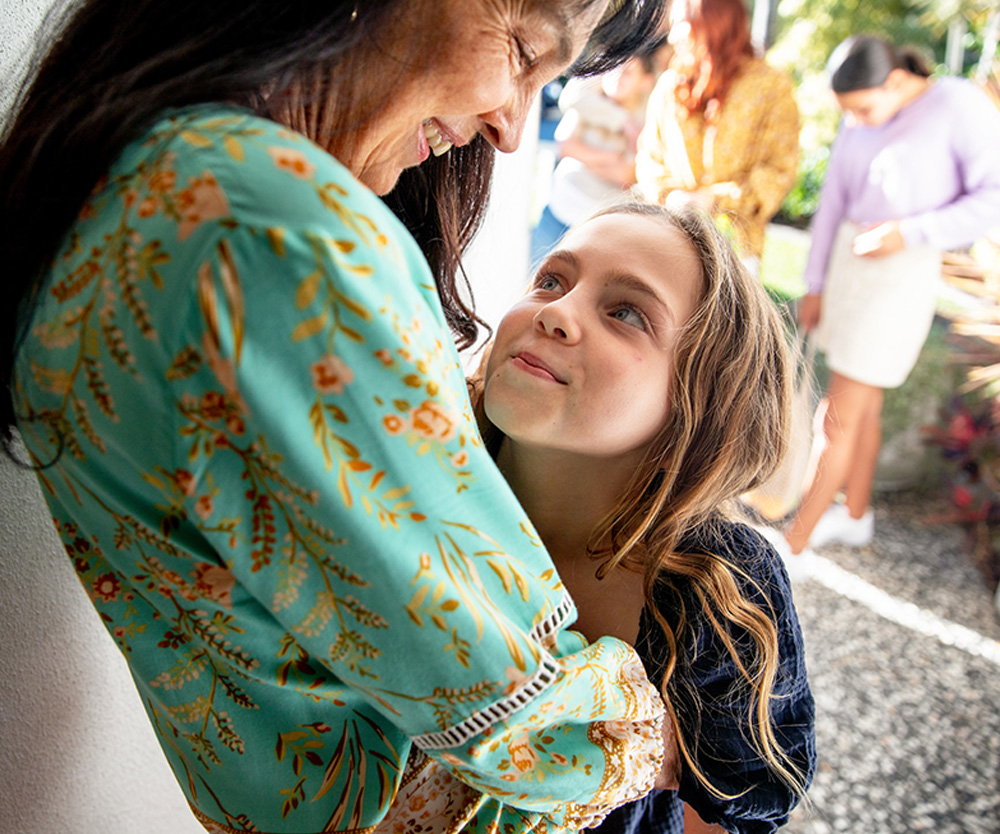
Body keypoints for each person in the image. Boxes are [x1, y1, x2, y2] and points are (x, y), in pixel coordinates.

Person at [0, 1, 676, 832]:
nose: (509, 125)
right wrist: (654, 741)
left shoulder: (144, 184)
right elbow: (509, 710)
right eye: (523, 48)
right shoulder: (271, 237)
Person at [469, 202, 817, 834]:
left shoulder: (720, 585)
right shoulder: (413, 470)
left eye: (626, 313)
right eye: (551, 280)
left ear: (697, 405)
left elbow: (747, 799)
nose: (555, 312)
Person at [778, 34, 1000, 558]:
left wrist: (911, 231)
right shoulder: (860, 112)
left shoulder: (957, 104)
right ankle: (855, 515)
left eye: (863, 109)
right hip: (846, 270)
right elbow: (832, 198)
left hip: (899, 276)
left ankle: (792, 547)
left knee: (836, 415)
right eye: (847, 112)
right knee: (863, 407)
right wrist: (815, 283)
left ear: (897, 81)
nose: (854, 121)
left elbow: (992, 199)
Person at [635, 0, 799, 275]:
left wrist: (716, 198)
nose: (673, 36)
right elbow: (649, 157)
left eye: (682, 25)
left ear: (714, 24)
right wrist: (673, 195)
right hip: (672, 237)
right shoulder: (670, 85)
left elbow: (779, 170)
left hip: (736, 249)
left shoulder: (771, 87)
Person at [530, 37, 665, 266]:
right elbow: (565, 146)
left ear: (645, 82)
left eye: (629, 72)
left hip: (599, 227)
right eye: (616, 69)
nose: (618, 77)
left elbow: (627, 175)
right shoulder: (590, 104)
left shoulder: (648, 122)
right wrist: (610, 158)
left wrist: (586, 156)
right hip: (558, 212)